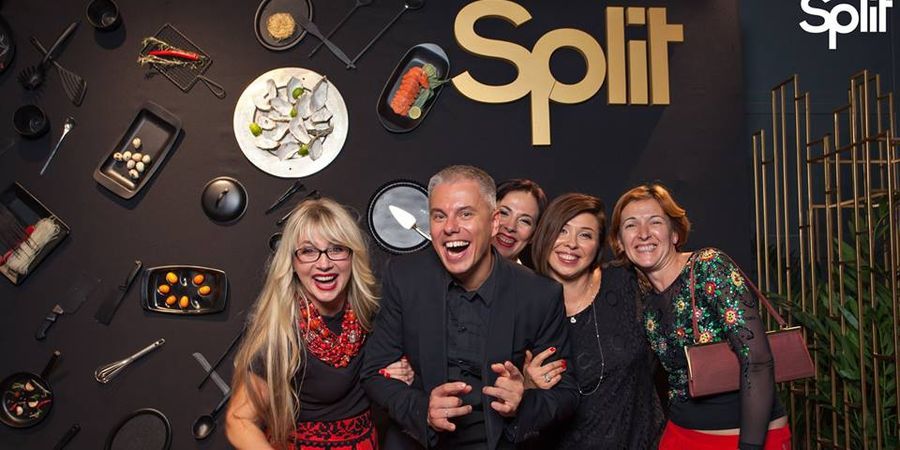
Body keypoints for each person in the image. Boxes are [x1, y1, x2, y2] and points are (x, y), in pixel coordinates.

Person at [362, 165, 578, 449]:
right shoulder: (404, 277)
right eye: (439, 215)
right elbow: (374, 372)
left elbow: (566, 394)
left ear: (494, 223)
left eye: (465, 214)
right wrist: (423, 409)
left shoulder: (539, 294)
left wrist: (522, 401)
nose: (450, 227)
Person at [609, 184, 790, 450]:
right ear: (620, 242)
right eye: (631, 225)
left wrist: (750, 446)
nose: (643, 233)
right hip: (681, 436)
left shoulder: (708, 266)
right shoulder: (641, 298)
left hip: (743, 437)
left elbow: (758, 362)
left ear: (674, 233)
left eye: (655, 221)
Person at [225, 198, 413, 450]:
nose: (324, 264)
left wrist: (393, 373)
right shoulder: (282, 333)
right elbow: (238, 421)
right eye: (308, 251)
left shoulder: (371, 311)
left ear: (352, 255)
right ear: (292, 263)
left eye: (336, 249)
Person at [521, 193, 664, 448]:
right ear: (545, 235)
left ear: (598, 246)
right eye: (562, 231)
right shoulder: (522, 307)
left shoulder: (625, 281)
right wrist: (527, 388)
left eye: (585, 235)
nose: (571, 244)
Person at [492, 179, 547, 265]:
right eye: (504, 213)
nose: (510, 227)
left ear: (534, 235)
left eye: (524, 221)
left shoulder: (528, 274)